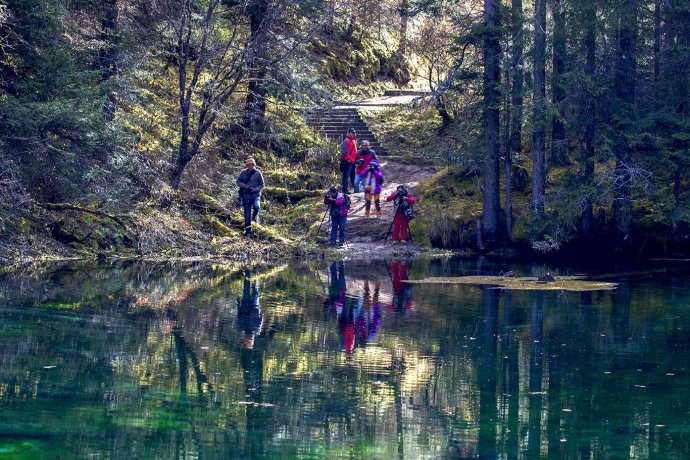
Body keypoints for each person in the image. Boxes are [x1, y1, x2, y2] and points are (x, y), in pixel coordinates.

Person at [236, 157, 264, 237]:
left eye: (252, 164)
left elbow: (262, 184)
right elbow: (238, 182)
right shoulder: (243, 173)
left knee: (257, 207)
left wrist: (255, 189)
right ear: (247, 165)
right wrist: (246, 186)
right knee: (247, 215)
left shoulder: (258, 173)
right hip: (246, 197)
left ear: (254, 165)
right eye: (249, 165)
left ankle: (254, 217)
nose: (250, 166)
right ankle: (248, 231)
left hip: (255, 195)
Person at [237, 269, 263, 349]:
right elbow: (261, 319)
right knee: (256, 291)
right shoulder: (257, 331)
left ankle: (248, 271)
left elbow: (238, 315)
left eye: (248, 341)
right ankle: (257, 272)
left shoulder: (241, 328)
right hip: (255, 307)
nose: (250, 339)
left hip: (245, 305)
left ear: (245, 341)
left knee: (246, 289)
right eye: (250, 341)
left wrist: (238, 303)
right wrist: (260, 312)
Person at [340, 128, 357, 194]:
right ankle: (345, 190)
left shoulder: (353, 140)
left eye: (354, 133)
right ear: (349, 133)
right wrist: (350, 159)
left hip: (352, 162)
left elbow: (354, 151)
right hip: (348, 162)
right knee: (346, 176)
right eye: (352, 133)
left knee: (353, 175)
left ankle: (356, 188)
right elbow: (345, 152)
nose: (354, 134)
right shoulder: (346, 141)